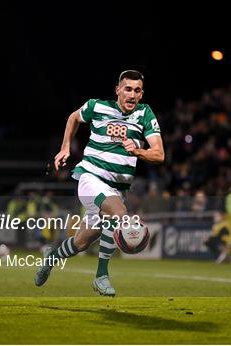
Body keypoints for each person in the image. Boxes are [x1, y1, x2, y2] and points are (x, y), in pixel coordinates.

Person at [34, 70, 164, 296]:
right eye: (128, 89)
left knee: (81, 243)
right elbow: (74, 117)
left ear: (142, 94)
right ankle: (101, 276)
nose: (132, 94)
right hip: (90, 177)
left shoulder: (145, 114)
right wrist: (65, 147)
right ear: (118, 90)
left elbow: (159, 154)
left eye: (137, 90)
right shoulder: (97, 106)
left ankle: (52, 256)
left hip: (117, 189)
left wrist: (138, 151)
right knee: (119, 213)